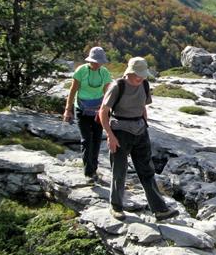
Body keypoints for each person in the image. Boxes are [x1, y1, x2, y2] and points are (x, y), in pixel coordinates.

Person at [99, 57, 178, 222]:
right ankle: (116, 206)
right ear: (130, 72)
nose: (141, 78)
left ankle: (160, 210)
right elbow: (103, 112)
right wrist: (110, 136)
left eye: (143, 75)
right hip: (120, 131)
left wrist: (145, 125)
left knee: (147, 171)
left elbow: (142, 106)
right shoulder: (117, 86)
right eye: (138, 75)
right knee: (119, 171)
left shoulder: (144, 85)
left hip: (140, 131)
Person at [63, 47, 112, 182]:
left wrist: (108, 110)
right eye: (95, 62)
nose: (97, 64)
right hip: (81, 109)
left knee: (96, 139)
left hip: (98, 111)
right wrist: (68, 109)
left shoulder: (104, 72)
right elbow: (72, 91)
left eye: (99, 62)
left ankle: (94, 169)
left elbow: (107, 93)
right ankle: (88, 172)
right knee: (86, 140)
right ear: (89, 60)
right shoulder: (81, 71)